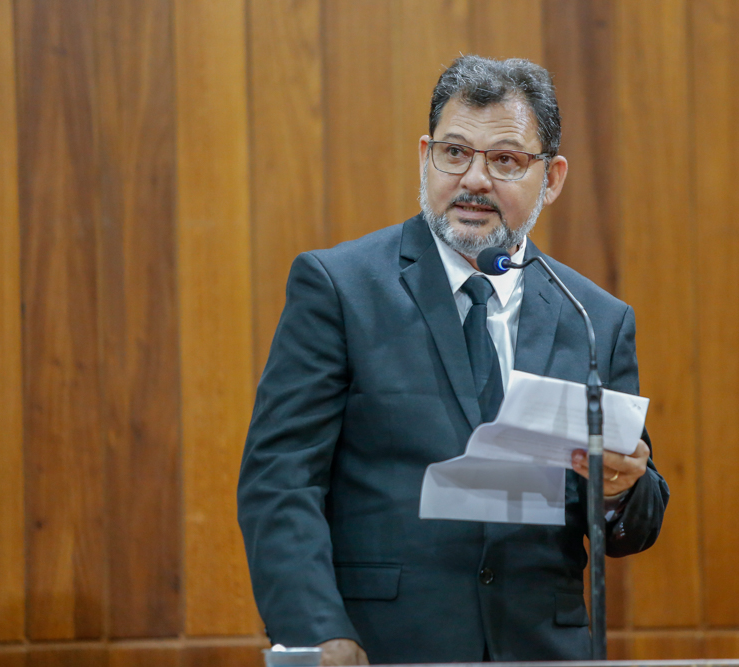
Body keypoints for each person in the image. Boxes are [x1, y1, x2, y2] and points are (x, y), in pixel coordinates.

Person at [238, 55, 669, 665]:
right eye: (455, 153)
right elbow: (281, 478)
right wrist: (318, 633)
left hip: (541, 651)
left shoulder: (592, 317)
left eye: (505, 160)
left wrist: (621, 492)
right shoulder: (342, 289)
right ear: (426, 157)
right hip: (385, 649)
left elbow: (634, 525)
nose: (475, 179)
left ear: (551, 178)